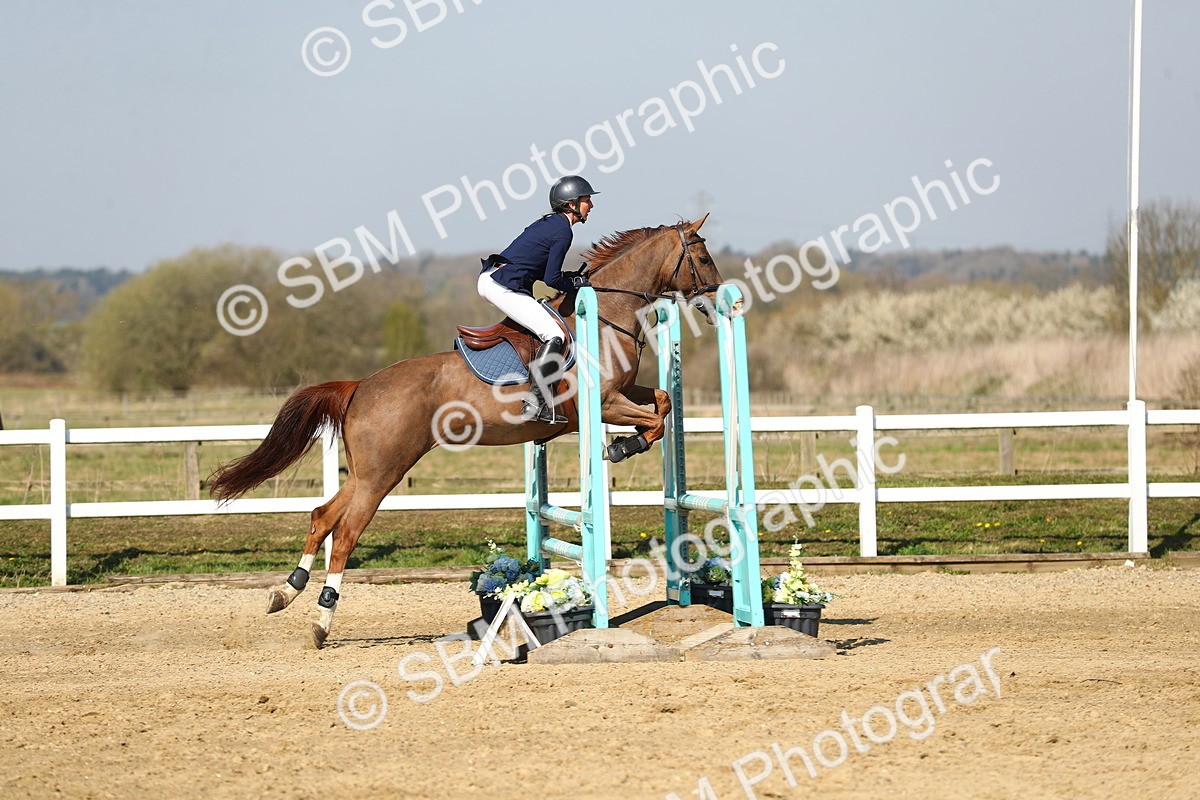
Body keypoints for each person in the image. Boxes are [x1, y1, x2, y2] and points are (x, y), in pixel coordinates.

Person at [477, 175, 597, 424]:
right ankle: (535, 402)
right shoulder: (563, 231)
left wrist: (569, 278)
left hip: (497, 279)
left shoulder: (551, 224)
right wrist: (575, 283)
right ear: (572, 204)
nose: (591, 206)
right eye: (587, 200)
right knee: (556, 335)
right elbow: (551, 279)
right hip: (502, 286)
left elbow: (543, 272)